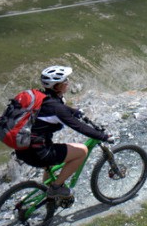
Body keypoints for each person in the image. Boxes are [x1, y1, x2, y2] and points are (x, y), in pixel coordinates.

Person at [15, 65, 111, 200]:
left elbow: (59, 109)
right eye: (65, 81)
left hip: (23, 148)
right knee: (82, 151)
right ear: (57, 86)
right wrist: (103, 136)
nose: (68, 82)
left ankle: (46, 192)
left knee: (53, 159)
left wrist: (75, 112)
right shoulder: (56, 108)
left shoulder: (42, 97)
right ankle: (56, 188)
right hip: (39, 153)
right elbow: (79, 127)